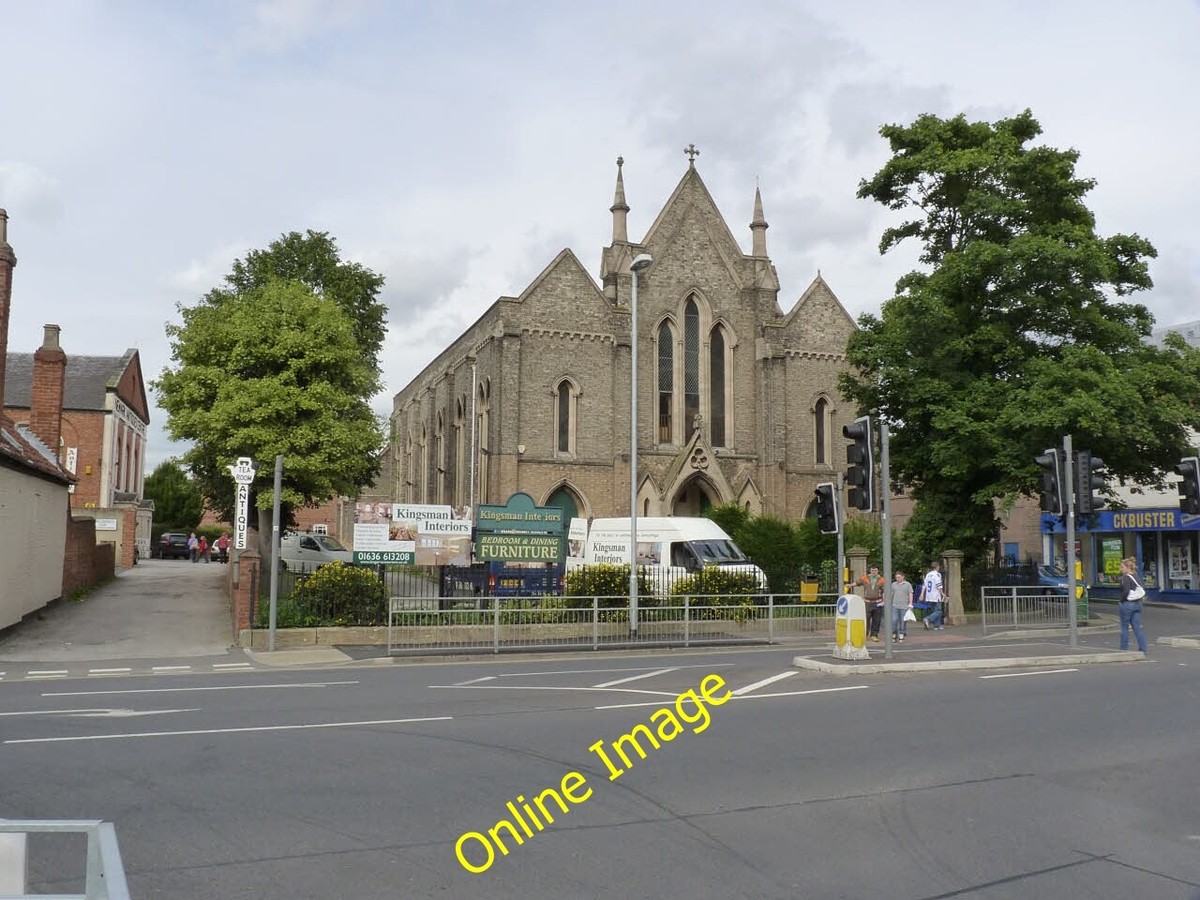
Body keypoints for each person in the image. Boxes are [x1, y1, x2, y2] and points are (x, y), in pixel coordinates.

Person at [1118, 556, 1148, 653]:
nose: (1121, 569)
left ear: (1128, 567)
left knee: (1124, 627)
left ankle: (1123, 649)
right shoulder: (1136, 576)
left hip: (1127, 604)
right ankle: (1143, 648)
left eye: (1122, 567)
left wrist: (1121, 601)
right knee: (1137, 627)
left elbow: (1126, 592)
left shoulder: (1125, 578)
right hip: (1138, 604)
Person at [856, 565, 886, 642]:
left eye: (875, 570)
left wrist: (884, 601)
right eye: (872, 570)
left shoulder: (882, 580)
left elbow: (885, 591)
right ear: (870, 571)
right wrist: (849, 585)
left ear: (878, 571)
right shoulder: (865, 578)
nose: (874, 572)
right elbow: (857, 583)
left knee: (877, 620)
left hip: (878, 602)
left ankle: (874, 635)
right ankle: (865, 634)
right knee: (866, 618)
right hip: (867, 602)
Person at [922, 560, 946, 630]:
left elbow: (924, 585)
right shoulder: (937, 574)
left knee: (934, 610)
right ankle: (927, 619)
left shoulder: (928, 574)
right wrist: (942, 593)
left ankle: (936, 626)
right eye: (938, 566)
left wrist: (922, 594)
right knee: (938, 611)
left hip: (929, 595)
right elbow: (939, 585)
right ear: (937, 567)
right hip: (935, 595)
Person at [891, 570, 914, 642]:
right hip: (895, 605)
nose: (897, 579)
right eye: (896, 577)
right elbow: (891, 594)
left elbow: (910, 594)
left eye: (899, 577)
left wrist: (910, 604)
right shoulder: (893, 584)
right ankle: (894, 633)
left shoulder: (907, 584)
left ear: (903, 577)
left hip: (904, 606)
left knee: (903, 621)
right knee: (894, 620)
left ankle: (901, 634)